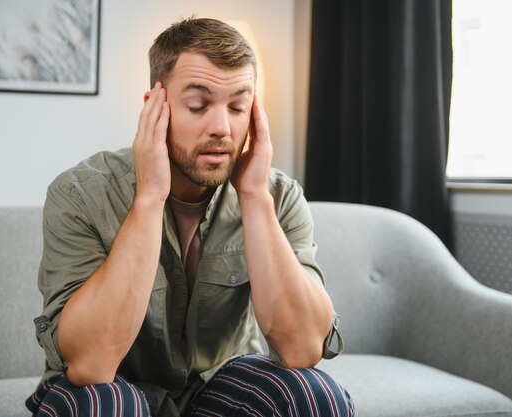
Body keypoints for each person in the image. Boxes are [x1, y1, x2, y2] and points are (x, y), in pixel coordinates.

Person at [26, 17, 353, 417]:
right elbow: (90, 364)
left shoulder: (278, 197)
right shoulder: (78, 195)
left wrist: (253, 196)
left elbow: (302, 349)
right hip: (111, 390)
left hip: (219, 391)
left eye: (237, 106)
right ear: (155, 108)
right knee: (101, 405)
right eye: (198, 105)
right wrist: (148, 197)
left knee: (315, 396)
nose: (221, 128)